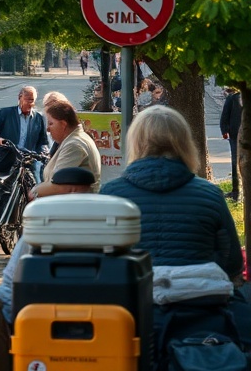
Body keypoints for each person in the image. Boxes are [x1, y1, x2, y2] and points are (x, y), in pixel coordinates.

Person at [100, 105, 242, 279]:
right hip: (195, 298)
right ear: (184, 143)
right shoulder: (210, 195)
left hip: (130, 299)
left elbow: (99, 256)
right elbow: (232, 261)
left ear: (135, 142)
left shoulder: (111, 195)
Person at [0, 166, 97, 323]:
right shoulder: (113, 229)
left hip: (37, 321)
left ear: (69, 191)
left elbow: (9, 287)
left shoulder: (38, 231)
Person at [31, 98, 101, 197]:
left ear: (63, 124)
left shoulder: (73, 145)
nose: (48, 129)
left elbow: (59, 185)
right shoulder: (74, 140)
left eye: (51, 123)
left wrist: (34, 191)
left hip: (73, 208)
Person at [0, 86, 48, 155]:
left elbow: (43, 142)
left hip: (28, 159)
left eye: (32, 100)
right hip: (8, 157)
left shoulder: (38, 118)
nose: (30, 103)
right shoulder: (6, 113)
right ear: (20, 97)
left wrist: (42, 153)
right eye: (27, 99)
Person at [220, 87, 243, 201]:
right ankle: (236, 192)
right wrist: (224, 131)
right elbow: (225, 115)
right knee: (235, 163)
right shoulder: (232, 99)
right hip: (235, 136)